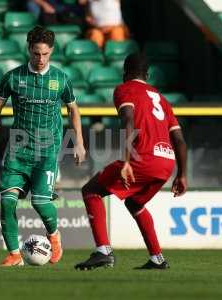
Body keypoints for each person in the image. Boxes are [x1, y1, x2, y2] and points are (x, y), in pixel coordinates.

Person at [0, 26, 86, 266]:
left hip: (47, 151)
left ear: (51, 51)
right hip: (18, 151)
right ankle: (14, 255)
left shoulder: (61, 79)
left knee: (40, 202)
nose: (40, 59)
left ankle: (54, 236)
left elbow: (73, 109)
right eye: (35, 54)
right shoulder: (13, 77)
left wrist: (79, 142)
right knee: (7, 201)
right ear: (28, 50)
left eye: (44, 54)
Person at [75, 53, 187, 270]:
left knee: (91, 190)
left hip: (142, 159)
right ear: (148, 74)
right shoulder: (161, 99)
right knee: (135, 203)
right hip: (166, 163)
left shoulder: (124, 89)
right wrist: (182, 175)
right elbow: (180, 141)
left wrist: (126, 161)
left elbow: (128, 120)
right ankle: (157, 259)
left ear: (125, 73)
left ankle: (103, 252)